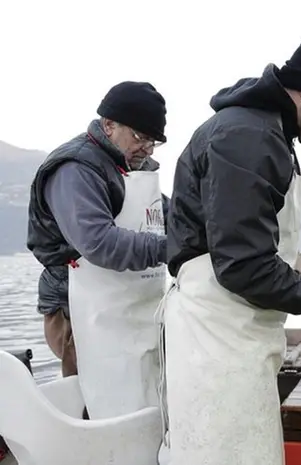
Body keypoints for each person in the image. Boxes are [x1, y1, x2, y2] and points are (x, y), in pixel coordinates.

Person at [160, 29, 301, 464]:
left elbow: (268, 247)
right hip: (215, 339)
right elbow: (243, 264)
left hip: (238, 336)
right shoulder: (247, 138)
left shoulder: (269, 135)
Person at [26, 81, 170, 420]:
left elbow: (168, 216)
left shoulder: (133, 167)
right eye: (140, 137)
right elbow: (98, 243)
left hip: (130, 303)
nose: (147, 149)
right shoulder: (75, 168)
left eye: (154, 141)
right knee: (91, 401)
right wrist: (171, 247)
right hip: (77, 307)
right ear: (109, 125)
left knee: (139, 398)